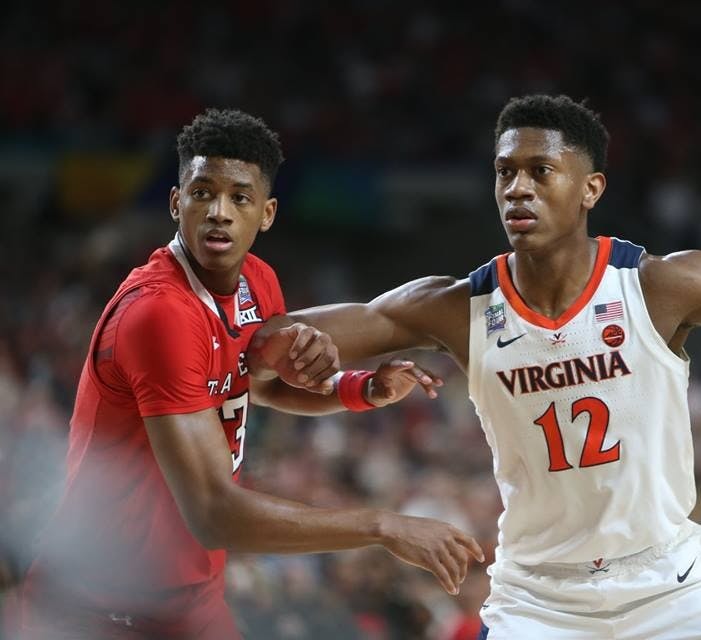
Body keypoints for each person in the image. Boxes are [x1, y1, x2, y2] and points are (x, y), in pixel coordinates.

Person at [253, 94, 701, 639]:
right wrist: (299, 347)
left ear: (590, 188)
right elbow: (262, 359)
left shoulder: (660, 285)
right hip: (539, 597)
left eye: (539, 171)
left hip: (672, 585)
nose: (518, 189)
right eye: (505, 174)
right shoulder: (450, 307)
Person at [17, 109, 484, 640]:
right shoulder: (158, 313)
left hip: (188, 598)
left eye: (239, 197)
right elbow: (215, 513)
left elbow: (254, 386)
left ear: (266, 213)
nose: (219, 211)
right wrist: (382, 526)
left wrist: (360, 389)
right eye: (202, 193)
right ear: (176, 203)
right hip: (97, 602)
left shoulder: (257, 283)